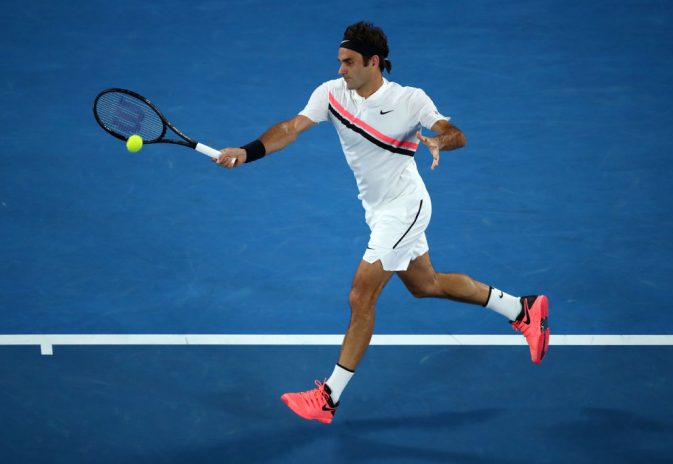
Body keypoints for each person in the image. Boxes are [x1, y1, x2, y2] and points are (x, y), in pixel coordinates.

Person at [215, 21, 549, 424]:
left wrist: (438, 141)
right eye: (340, 61)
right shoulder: (331, 94)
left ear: (373, 62)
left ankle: (328, 397)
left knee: (361, 297)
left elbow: (456, 133)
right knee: (426, 285)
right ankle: (522, 309)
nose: (341, 69)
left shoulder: (409, 100)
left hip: (405, 207)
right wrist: (247, 152)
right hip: (377, 210)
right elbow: (290, 128)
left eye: (349, 62)